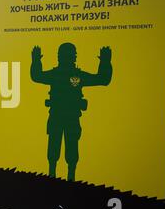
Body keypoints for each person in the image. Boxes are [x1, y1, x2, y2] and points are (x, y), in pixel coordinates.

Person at [30, 43, 112, 181]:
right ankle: (61, 176)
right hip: (63, 116)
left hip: (64, 116)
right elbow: (102, 79)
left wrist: (36, 60)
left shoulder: (59, 75)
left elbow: (37, 76)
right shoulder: (73, 75)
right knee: (60, 147)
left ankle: (62, 176)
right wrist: (105, 61)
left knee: (65, 147)